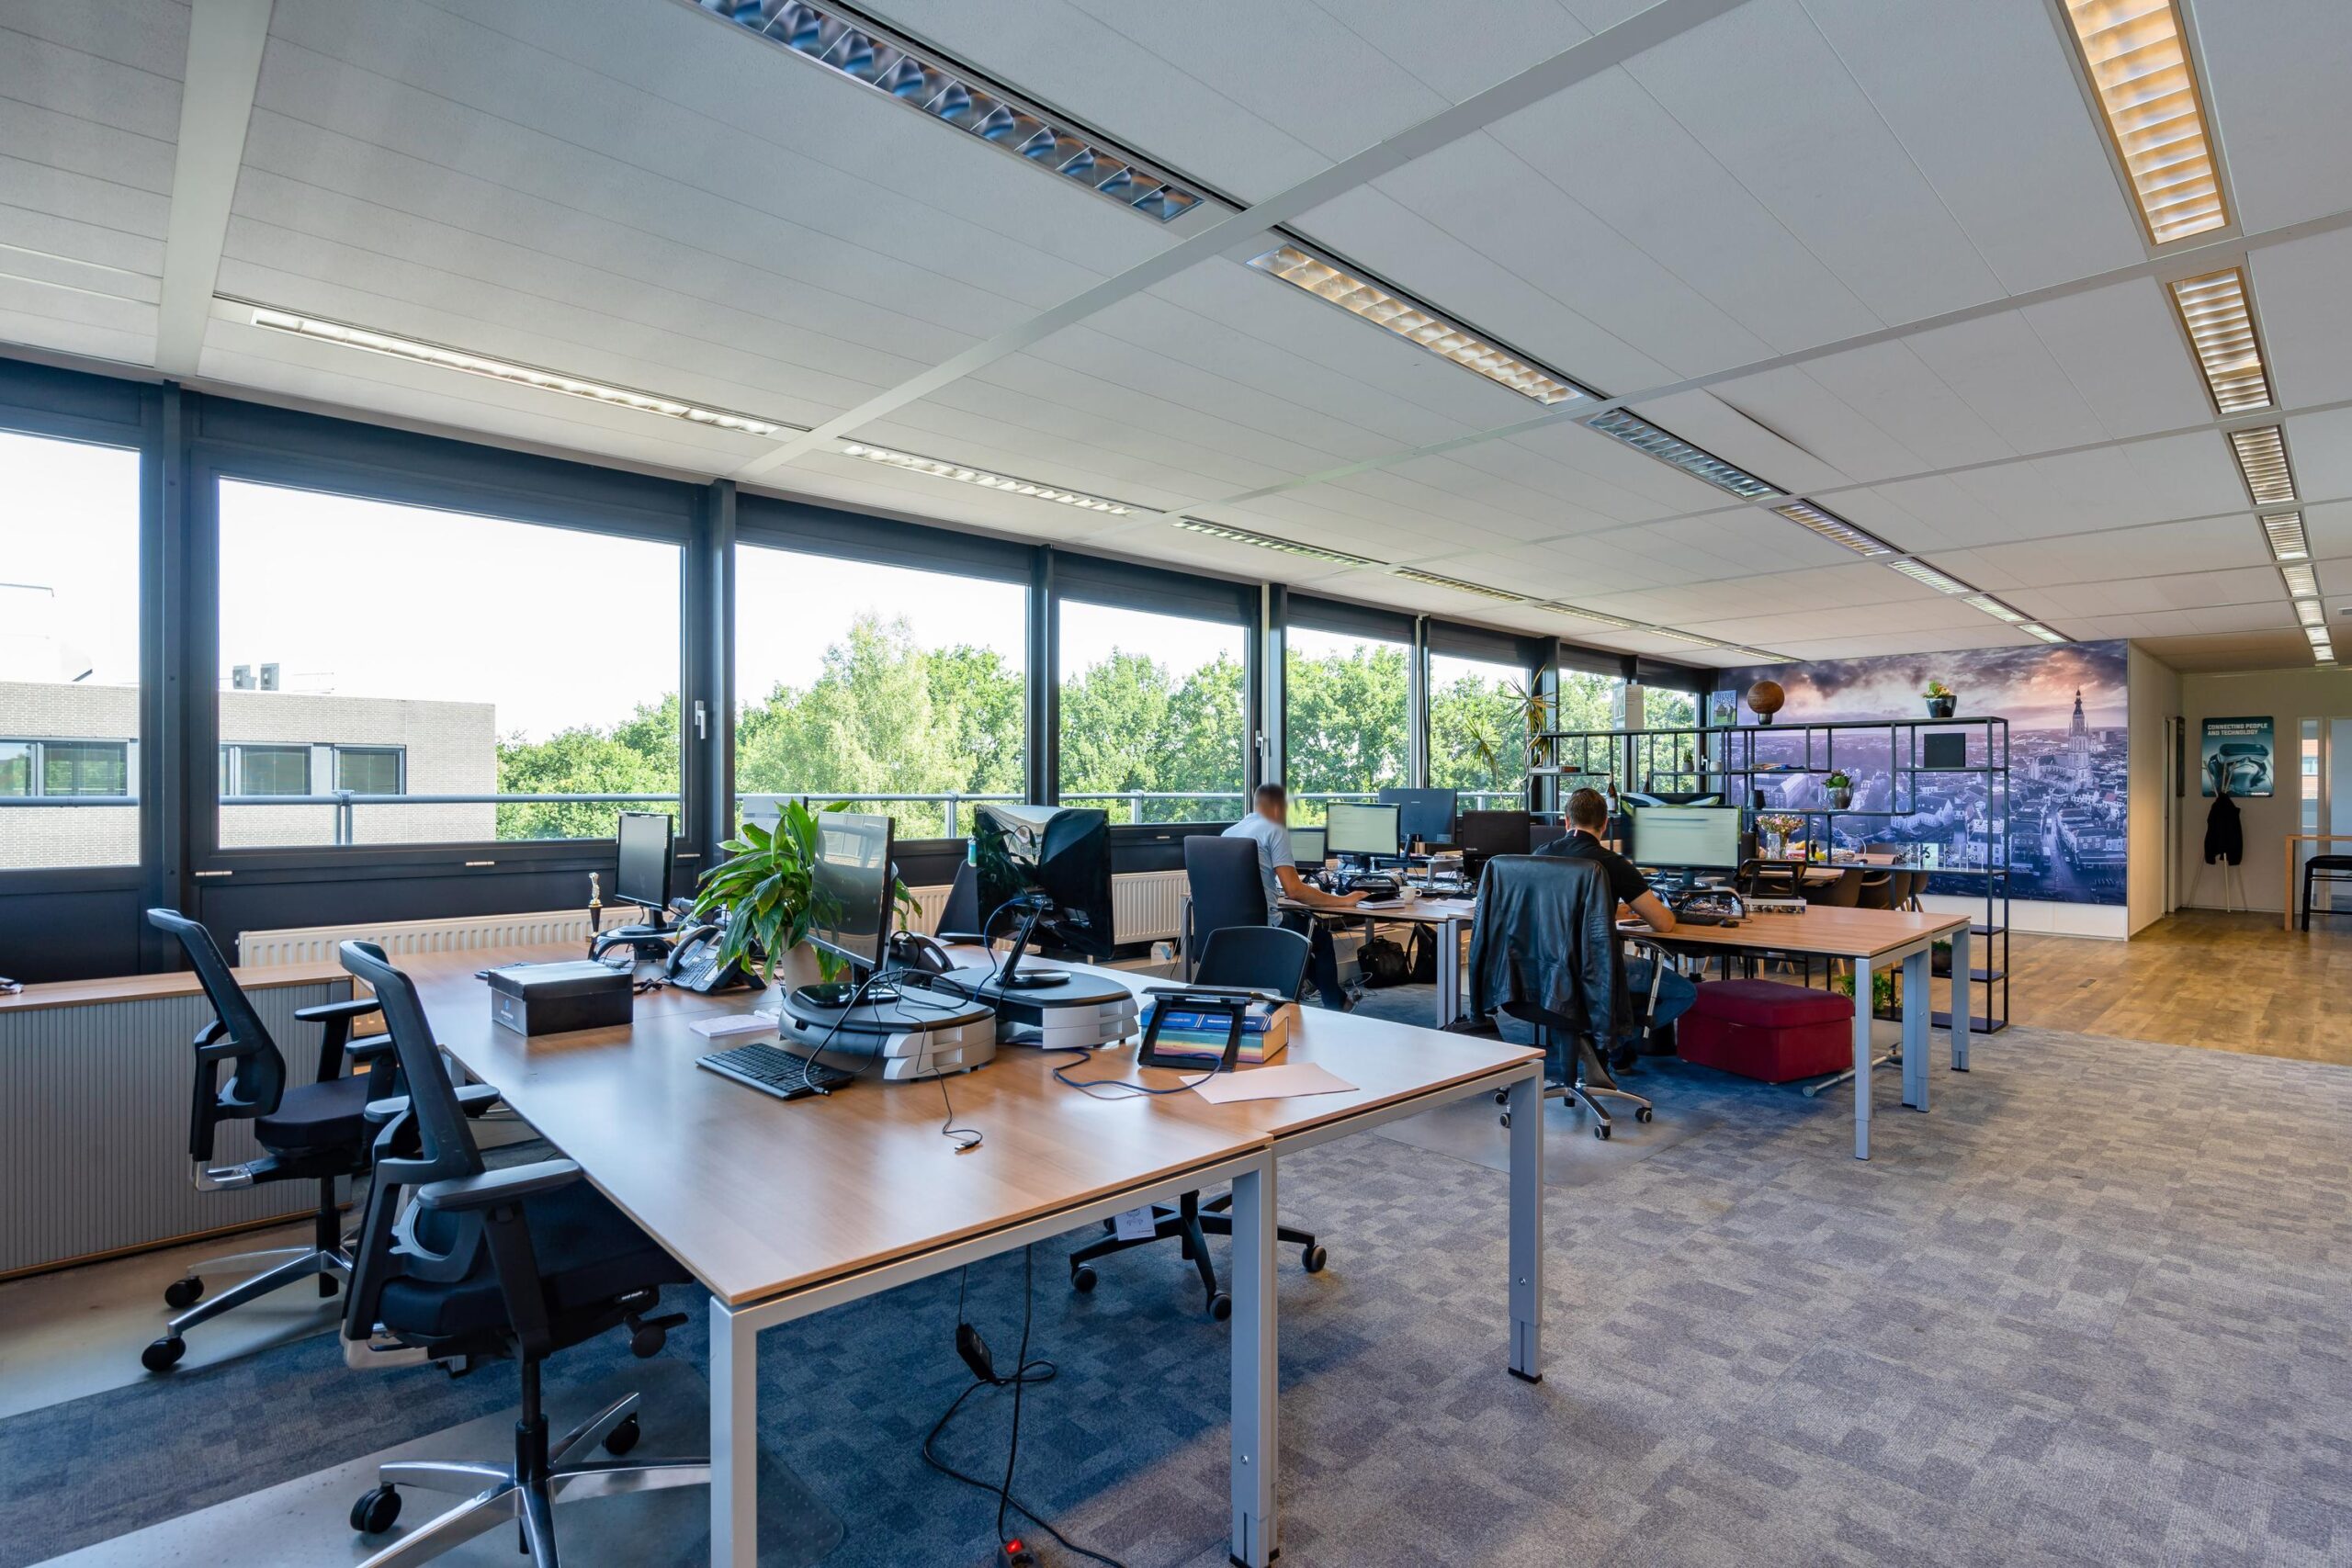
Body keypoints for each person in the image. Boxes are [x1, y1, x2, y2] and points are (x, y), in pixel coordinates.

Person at [1535, 786, 1697, 1053]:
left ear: (1566, 821)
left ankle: (1596, 1037)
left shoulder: (1540, 855)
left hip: (1543, 965)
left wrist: (1612, 909)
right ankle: (1614, 1042)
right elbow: (1664, 924)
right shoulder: (1613, 864)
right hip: (1595, 968)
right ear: (1605, 824)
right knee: (1685, 992)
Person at [1222, 783, 1366, 1010]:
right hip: (1266, 925)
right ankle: (1335, 1004)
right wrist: (1344, 900)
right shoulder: (1274, 829)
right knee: (1320, 938)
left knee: (1301, 943)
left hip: (1227, 928)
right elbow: (1294, 890)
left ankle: (1336, 999)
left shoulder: (1229, 832)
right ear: (1278, 808)